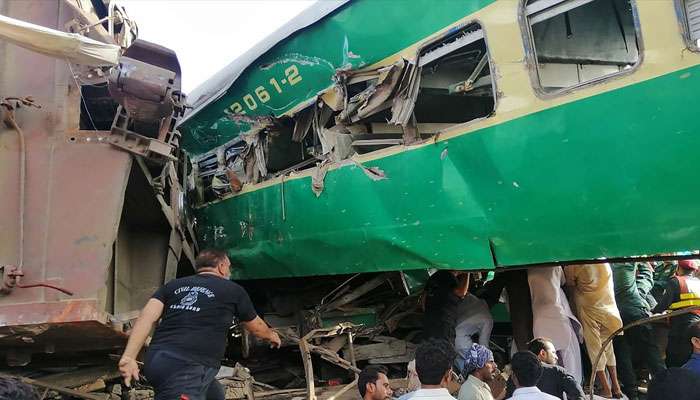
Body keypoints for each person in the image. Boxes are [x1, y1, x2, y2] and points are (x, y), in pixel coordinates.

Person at [118, 249, 281, 400]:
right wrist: (272, 335)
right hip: (187, 368)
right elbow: (257, 328)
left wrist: (129, 356)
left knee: (215, 395)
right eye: (229, 268)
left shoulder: (173, 286)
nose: (229, 272)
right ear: (222, 266)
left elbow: (146, 317)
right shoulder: (233, 290)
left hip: (157, 361)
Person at [564, 264, 623, 398]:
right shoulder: (604, 261)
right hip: (608, 306)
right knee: (608, 347)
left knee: (594, 349)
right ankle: (616, 387)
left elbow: (569, 286)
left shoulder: (575, 264)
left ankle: (606, 389)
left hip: (588, 308)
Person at [610, 262, 665, 400]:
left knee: (622, 354)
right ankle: (665, 384)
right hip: (634, 310)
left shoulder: (603, 265)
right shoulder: (627, 262)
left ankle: (631, 394)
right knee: (650, 351)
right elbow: (647, 275)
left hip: (615, 313)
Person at [527, 267, 583, 383]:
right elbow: (562, 282)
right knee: (569, 355)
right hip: (556, 313)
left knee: (542, 357)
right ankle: (572, 384)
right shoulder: (555, 266)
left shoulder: (530, 269)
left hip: (539, 317)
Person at [652, 259, 700, 367]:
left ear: (678, 268)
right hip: (696, 326)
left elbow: (664, 304)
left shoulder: (676, 281)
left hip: (680, 326)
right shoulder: (698, 283)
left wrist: (653, 312)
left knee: (674, 357)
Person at [505, 338, 584, 400]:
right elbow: (578, 396)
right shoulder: (558, 371)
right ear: (542, 353)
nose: (556, 357)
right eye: (553, 352)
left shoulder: (515, 374)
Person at [423, 270, 470, 343]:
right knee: (443, 348)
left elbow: (423, 299)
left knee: (430, 345)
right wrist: (467, 273)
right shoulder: (448, 277)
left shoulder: (435, 276)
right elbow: (461, 292)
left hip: (430, 321)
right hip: (443, 323)